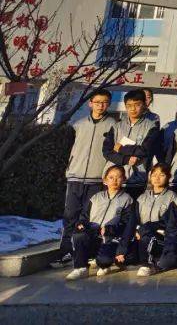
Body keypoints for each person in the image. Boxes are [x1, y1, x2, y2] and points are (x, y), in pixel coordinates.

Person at [56, 89, 115, 268]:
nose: (100, 105)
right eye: (97, 102)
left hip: (97, 179)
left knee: (90, 218)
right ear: (90, 103)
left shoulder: (114, 125)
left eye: (104, 102)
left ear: (109, 104)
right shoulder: (78, 124)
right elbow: (66, 148)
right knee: (70, 216)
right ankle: (66, 251)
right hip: (75, 176)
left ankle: (86, 253)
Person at [65, 164, 134, 280]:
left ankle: (107, 263)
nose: (115, 180)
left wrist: (110, 230)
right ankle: (81, 268)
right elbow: (84, 216)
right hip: (92, 235)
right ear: (105, 180)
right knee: (79, 236)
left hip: (110, 239)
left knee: (103, 260)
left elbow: (126, 224)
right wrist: (81, 224)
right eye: (111, 177)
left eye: (118, 177)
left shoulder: (127, 200)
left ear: (124, 179)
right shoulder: (96, 197)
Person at [103, 88, 161, 198]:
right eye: (129, 105)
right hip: (114, 180)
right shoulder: (117, 126)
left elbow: (145, 150)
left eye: (137, 105)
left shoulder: (151, 126)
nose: (133, 109)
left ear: (144, 105)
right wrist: (125, 159)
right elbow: (106, 151)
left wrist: (120, 149)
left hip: (137, 178)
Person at [130, 163, 177, 277]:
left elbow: (168, 221)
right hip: (139, 234)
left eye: (161, 175)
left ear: (168, 177)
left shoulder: (172, 197)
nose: (157, 178)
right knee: (126, 257)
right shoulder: (142, 197)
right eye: (154, 175)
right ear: (149, 177)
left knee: (148, 238)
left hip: (160, 235)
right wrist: (137, 230)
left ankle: (147, 265)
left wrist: (145, 229)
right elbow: (134, 218)